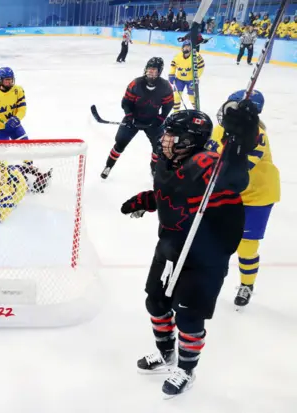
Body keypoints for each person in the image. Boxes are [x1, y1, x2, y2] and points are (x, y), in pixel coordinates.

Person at [120, 100, 260, 397]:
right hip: (170, 245)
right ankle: (166, 353)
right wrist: (148, 201)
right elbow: (173, 192)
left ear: (190, 140)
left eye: (172, 134)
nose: (164, 138)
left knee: (189, 317)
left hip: (204, 256)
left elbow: (233, 180)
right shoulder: (163, 159)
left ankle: (186, 368)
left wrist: (238, 145)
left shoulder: (208, 161)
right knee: (156, 303)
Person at [205, 90, 280, 308]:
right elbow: (208, 155)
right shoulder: (220, 128)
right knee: (215, 241)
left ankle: (247, 285)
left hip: (258, 196)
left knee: (246, 246)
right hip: (230, 192)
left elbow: (237, 170)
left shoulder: (258, 136)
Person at [0, 67, 52, 191]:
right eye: (6, 81)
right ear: (0, 81)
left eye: (11, 80)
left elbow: (22, 109)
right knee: (1, 156)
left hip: (14, 125)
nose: (9, 83)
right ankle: (2, 178)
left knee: (25, 146)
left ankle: (29, 171)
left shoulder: (18, 90)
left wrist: (16, 119)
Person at [101, 57, 174, 179]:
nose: (150, 72)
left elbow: (168, 104)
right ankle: (108, 166)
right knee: (120, 142)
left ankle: (154, 168)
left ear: (159, 71)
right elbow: (126, 102)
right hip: (133, 119)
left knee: (159, 147)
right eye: (149, 69)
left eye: (154, 70)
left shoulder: (165, 86)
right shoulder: (136, 83)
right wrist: (129, 117)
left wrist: (160, 119)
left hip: (153, 120)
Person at [168, 40, 204, 111]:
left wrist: (196, 77)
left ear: (191, 48)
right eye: (185, 47)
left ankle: (197, 111)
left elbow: (201, 66)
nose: (186, 49)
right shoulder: (177, 56)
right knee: (176, 96)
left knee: (192, 97)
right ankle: (176, 112)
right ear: (182, 48)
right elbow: (173, 65)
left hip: (191, 80)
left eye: (188, 47)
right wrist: (171, 74)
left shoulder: (196, 56)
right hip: (179, 79)